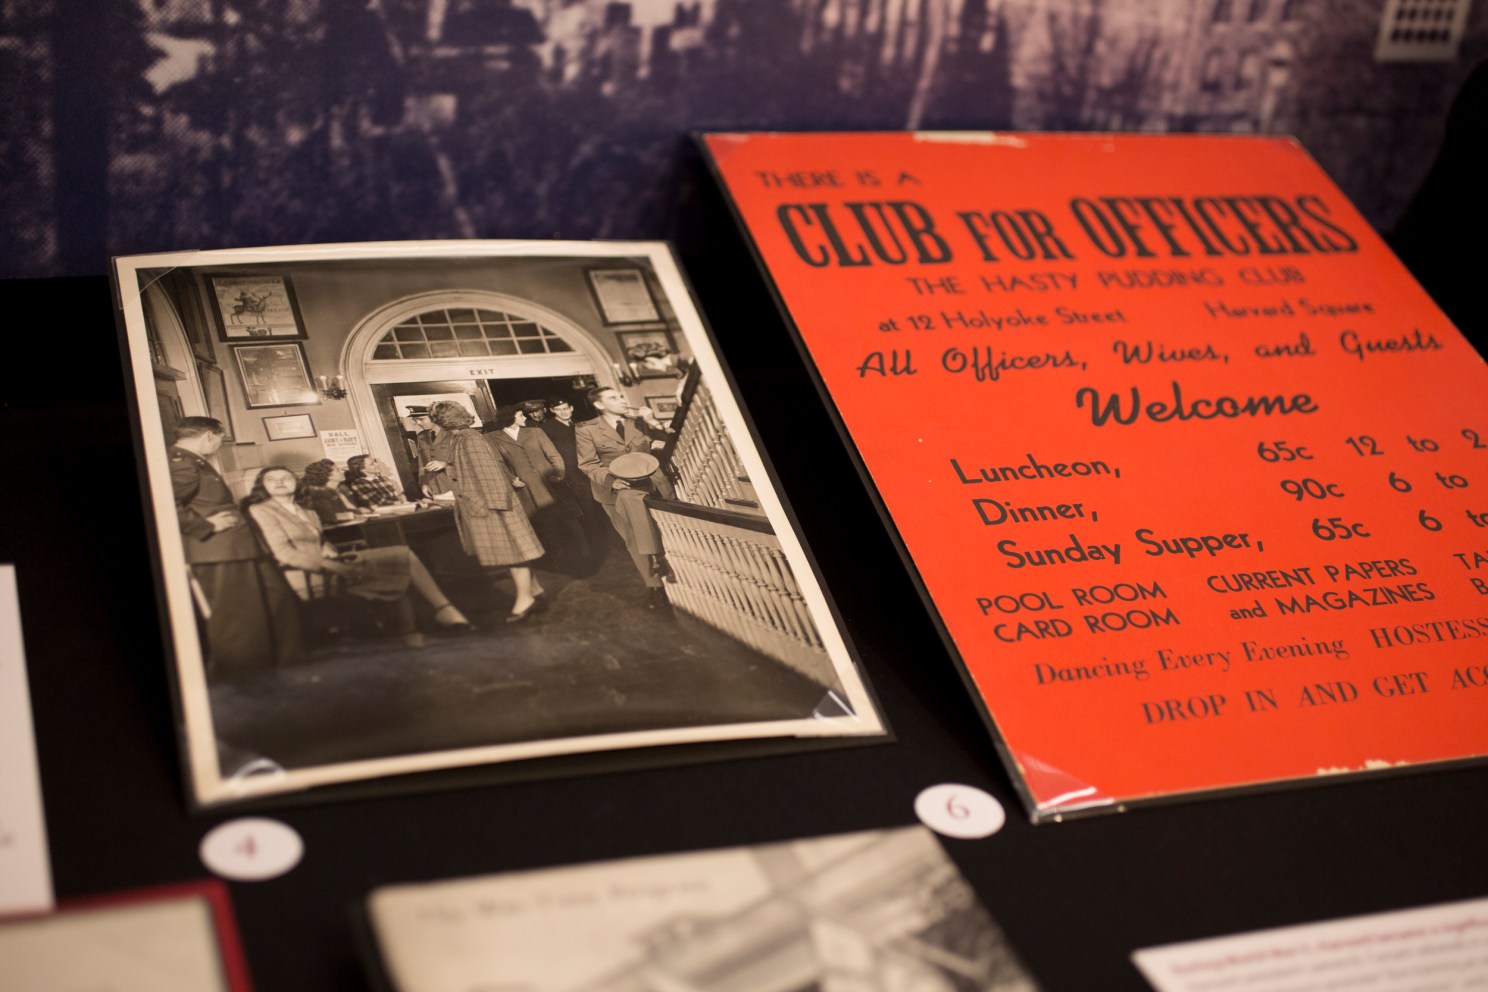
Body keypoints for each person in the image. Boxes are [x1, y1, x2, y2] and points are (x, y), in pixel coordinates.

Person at [244, 466, 471, 647]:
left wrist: (328, 547)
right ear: (262, 486)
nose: (280, 482)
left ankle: (423, 625)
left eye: (285, 477)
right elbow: (283, 553)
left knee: (400, 556)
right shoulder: (262, 510)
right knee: (398, 562)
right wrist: (329, 564)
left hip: (330, 563)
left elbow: (320, 540)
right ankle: (429, 620)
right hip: (308, 573)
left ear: (296, 483)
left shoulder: (308, 510)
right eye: (272, 479)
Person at [170, 417, 300, 677]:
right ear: (209, 435)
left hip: (238, 548)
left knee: (278, 601)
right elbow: (163, 502)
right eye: (219, 438)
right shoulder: (180, 462)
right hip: (218, 550)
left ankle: (285, 669)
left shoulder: (191, 460)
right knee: (237, 619)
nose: (219, 444)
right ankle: (246, 680)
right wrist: (206, 526)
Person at [429, 400, 547, 623]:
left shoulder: (468, 439)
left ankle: (525, 599)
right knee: (516, 550)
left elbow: (490, 474)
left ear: (442, 421)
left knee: (513, 552)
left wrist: (495, 508)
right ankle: (535, 590)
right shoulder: (462, 437)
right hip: (491, 503)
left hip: (494, 506)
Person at [574, 386, 676, 600]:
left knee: (670, 531)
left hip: (651, 483)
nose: (621, 400)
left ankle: (676, 580)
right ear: (599, 405)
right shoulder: (587, 429)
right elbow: (588, 464)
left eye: (621, 396)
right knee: (633, 537)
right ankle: (655, 587)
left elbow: (668, 443)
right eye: (613, 398)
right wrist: (612, 481)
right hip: (615, 490)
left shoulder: (638, 422)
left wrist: (653, 423)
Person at [488, 404, 590, 570]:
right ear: (510, 418)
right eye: (521, 415)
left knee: (569, 518)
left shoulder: (535, 432)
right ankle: (558, 555)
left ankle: (585, 551)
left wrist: (558, 475)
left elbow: (554, 455)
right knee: (543, 523)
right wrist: (511, 478)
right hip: (526, 488)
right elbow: (497, 462)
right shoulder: (493, 438)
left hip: (550, 483)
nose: (525, 418)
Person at [301, 458, 368, 525]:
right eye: (337, 470)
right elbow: (328, 516)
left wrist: (361, 509)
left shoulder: (343, 488)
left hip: (358, 523)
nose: (342, 471)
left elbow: (356, 506)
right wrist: (354, 513)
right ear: (328, 476)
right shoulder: (319, 494)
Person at [407, 406, 452, 496]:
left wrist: (444, 464)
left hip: (455, 483)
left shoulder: (452, 433)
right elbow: (422, 462)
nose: (418, 423)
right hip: (435, 485)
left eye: (421, 419)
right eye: (415, 420)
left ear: (434, 417)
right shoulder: (421, 437)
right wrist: (424, 483)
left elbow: (467, 459)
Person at [343, 454, 413, 508]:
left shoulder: (386, 480)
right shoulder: (358, 483)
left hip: (400, 508)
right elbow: (376, 501)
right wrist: (398, 503)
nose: (377, 464)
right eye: (372, 464)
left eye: (375, 462)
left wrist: (404, 501)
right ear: (362, 469)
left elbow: (400, 495)